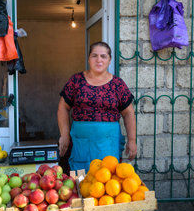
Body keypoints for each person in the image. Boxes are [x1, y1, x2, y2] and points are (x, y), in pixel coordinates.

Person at [57, 41, 137, 171]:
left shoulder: (118, 84)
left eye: (103, 56)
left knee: (107, 181)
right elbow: (63, 108)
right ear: (89, 58)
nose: (98, 60)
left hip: (108, 144)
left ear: (109, 60)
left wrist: (132, 140)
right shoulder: (76, 80)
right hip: (80, 144)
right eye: (94, 55)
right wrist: (64, 135)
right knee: (80, 181)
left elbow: (128, 113)